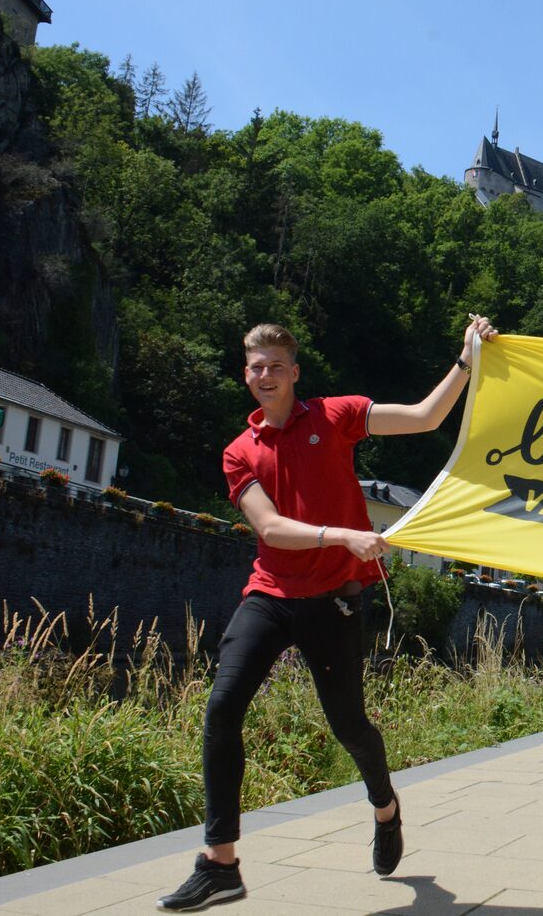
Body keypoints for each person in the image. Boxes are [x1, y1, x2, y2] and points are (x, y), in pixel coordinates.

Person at [158, 316, 497, 912]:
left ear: (294, 372)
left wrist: (466, 361)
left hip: (334, 600)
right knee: (221, 708)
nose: (265, 376)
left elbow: (425, 417)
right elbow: (269, 528)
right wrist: (343, 534)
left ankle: (386, 808)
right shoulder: (240, 451)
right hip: (270, 594)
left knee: (348, 726)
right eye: (254, 367)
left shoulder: (335, 416)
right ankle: (221, 862)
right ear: (246, 374)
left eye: (275, 367)